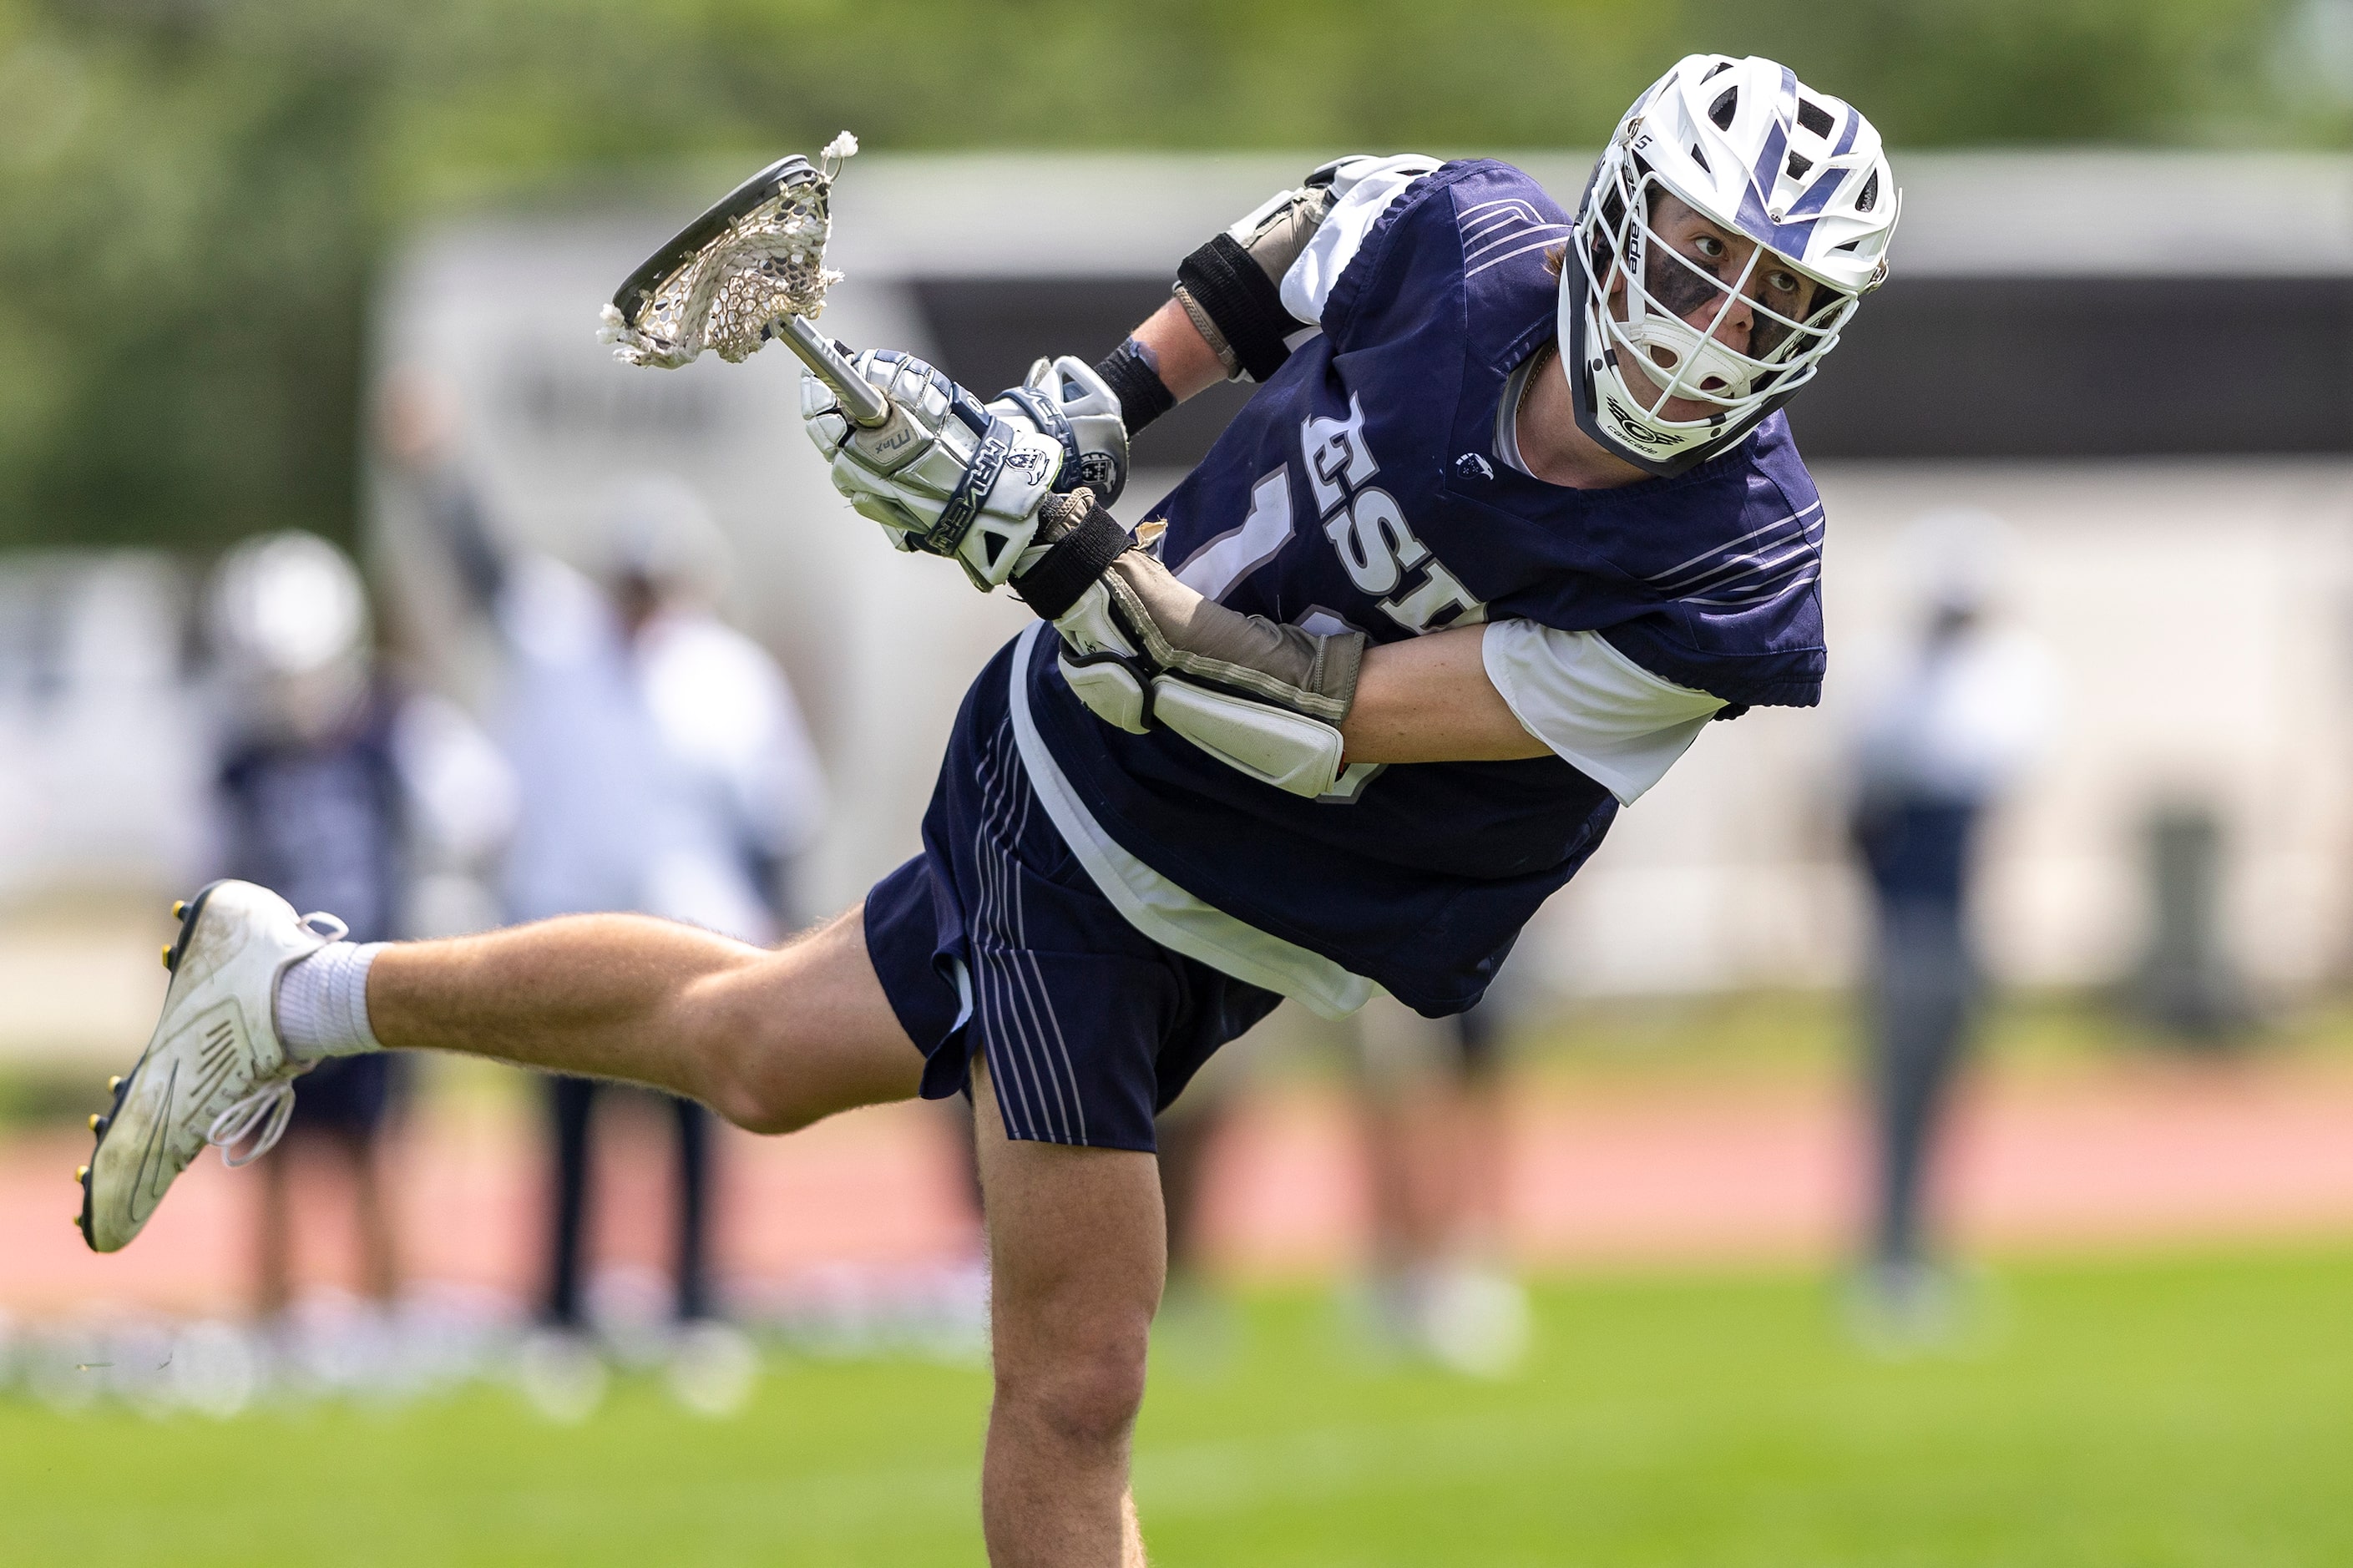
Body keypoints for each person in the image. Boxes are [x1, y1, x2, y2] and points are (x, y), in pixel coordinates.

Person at [85, 54, 1896, 1565]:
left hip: (1255, 832)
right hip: (1097, 809)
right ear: (1615, 209)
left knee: (754, 1049)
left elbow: (1319, 725)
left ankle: (295, 989)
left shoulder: (1726, 580)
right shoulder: (1464, 238)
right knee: (1080, 1373)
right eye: (1694, 251)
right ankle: (296, 994)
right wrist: (1089, 410)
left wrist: (1036, 531)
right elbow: (1288, 250)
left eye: (1774, 300)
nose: (1711, 319)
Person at [382, 417, 830, 1408]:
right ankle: (560, 1319)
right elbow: (480, 561)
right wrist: (433, 466)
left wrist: (796, 950)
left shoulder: (728, 676)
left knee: (695, 1133)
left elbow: (779, 817)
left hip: (693, 941)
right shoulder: (554, 641)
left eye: (655, 581)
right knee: (571, 1130)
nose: (639, 601)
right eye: (627, 580)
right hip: (570, 925)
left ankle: (698, 1313)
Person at [205, 530, 514, 1351]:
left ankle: (393, 1324)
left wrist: (445, 906)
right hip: (262, 992)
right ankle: (275, 1334)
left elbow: (482, 813)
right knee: (268, 1163)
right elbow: (199, 871)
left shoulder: (396, 726)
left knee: (377, 1157)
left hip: (367, 979)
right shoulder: (235, 754)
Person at [1846, 508, 2055, 1338]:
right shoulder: (1887, 676)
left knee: (1951, 1088)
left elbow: (1990, 771)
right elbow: (1865, 794)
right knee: (1898, 1089)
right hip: (1903, 916)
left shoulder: (2005, 677)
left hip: (1962, 914)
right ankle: (1890, 1258)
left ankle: (1926, 1246)